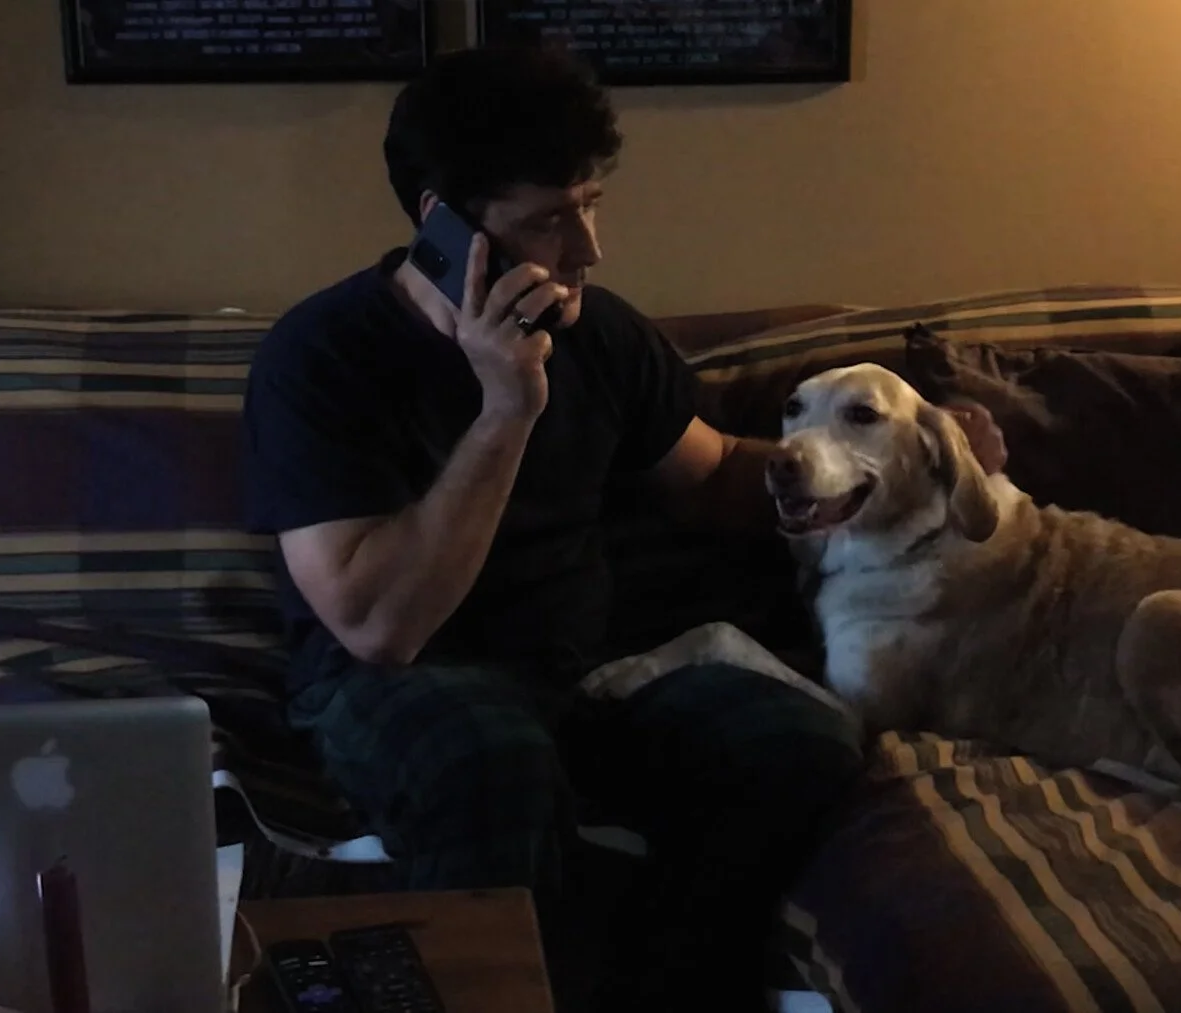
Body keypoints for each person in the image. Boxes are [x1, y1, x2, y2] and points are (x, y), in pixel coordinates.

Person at [241, 44, 1003, 1013]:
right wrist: (505, 410)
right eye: (548, 219)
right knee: (490, 757)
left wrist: (898, 457)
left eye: (591, 204)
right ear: (442, 224)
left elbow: (713, 474)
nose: (586, 249)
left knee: (801, 741)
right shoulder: (322, 357)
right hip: (394, 685)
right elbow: (377, 625)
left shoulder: (598, 332)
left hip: (588, 673)